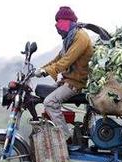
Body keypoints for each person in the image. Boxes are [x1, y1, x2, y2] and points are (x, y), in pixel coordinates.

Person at [34, 6, 93, 141]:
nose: (58, 27)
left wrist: (47, 71)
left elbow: (66, 61)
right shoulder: (70, 38)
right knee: (43, 93)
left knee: (50, 102)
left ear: (68, 21)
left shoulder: (81, 37)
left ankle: (65, 136)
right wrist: (41, 69)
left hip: (76, 82)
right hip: (68, 80)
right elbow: (58, 58)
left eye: (60, 23)